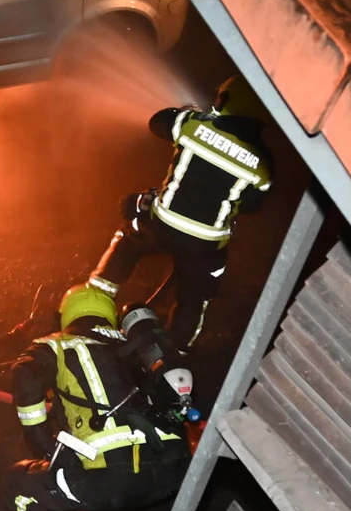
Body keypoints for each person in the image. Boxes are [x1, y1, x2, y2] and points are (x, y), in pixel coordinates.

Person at [2, 284, 193, 511]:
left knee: (20, 484)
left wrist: (43, 442)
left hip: (110, 482)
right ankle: (130, 508)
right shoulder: (139, 347)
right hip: (175, 472)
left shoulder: (55, 344)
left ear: (66, 316)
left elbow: (24, 376)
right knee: (133, 466)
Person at [91, 75, 273, 352]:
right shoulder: (263, 163)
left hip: (163, 225)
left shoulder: (192, 124)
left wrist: (188, 112)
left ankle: (93, 306)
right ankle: (176, 352)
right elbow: (251, 205)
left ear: (224, 101)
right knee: (195, 298)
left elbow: (158, 122)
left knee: (130, 238)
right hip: (207, 245)